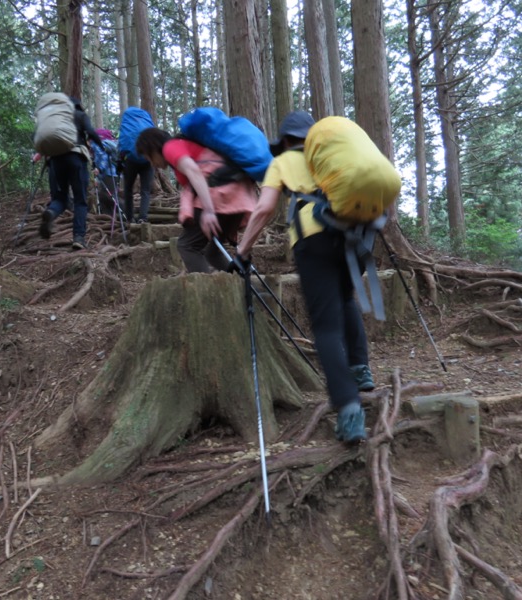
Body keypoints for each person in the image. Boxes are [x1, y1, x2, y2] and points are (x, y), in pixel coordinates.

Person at [234, 110, 375, 444]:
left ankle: (349, 411)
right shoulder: (331, 154)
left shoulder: (282, 162)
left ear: (284, 141)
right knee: (345, 299)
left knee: (325, 326)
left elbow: (264, 208)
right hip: (355, 234)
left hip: (313, 238)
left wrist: (242, 249)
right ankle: (361, 370)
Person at [135, 127, 257, 273]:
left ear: (153, 148)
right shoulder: (182, 146)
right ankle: (244, 287)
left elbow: (194, 171)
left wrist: (209, 210)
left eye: (149, 158)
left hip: (221, 195)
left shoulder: (171, 147)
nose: (152, 164)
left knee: (187, 245)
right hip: (237, 196)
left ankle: (208, 295)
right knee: (213, 252)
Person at [38, 96, 104, 250]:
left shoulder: (55, 118)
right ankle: (78, 238)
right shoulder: (79, 115)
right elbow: (91, 133)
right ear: (79, 106)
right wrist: (103, 147)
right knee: (80, 200)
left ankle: (51, 212)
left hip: (55, 161)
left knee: (60, 198)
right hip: (75, 157)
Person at [92, 128, 120, 216]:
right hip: (115, 174)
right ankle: (111, 217)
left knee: (105, 196)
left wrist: (99, 169)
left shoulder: (98, 144)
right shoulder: (111, 144)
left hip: (109, 174)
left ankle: (123, 210)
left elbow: (103, 157)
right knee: (108, 196)